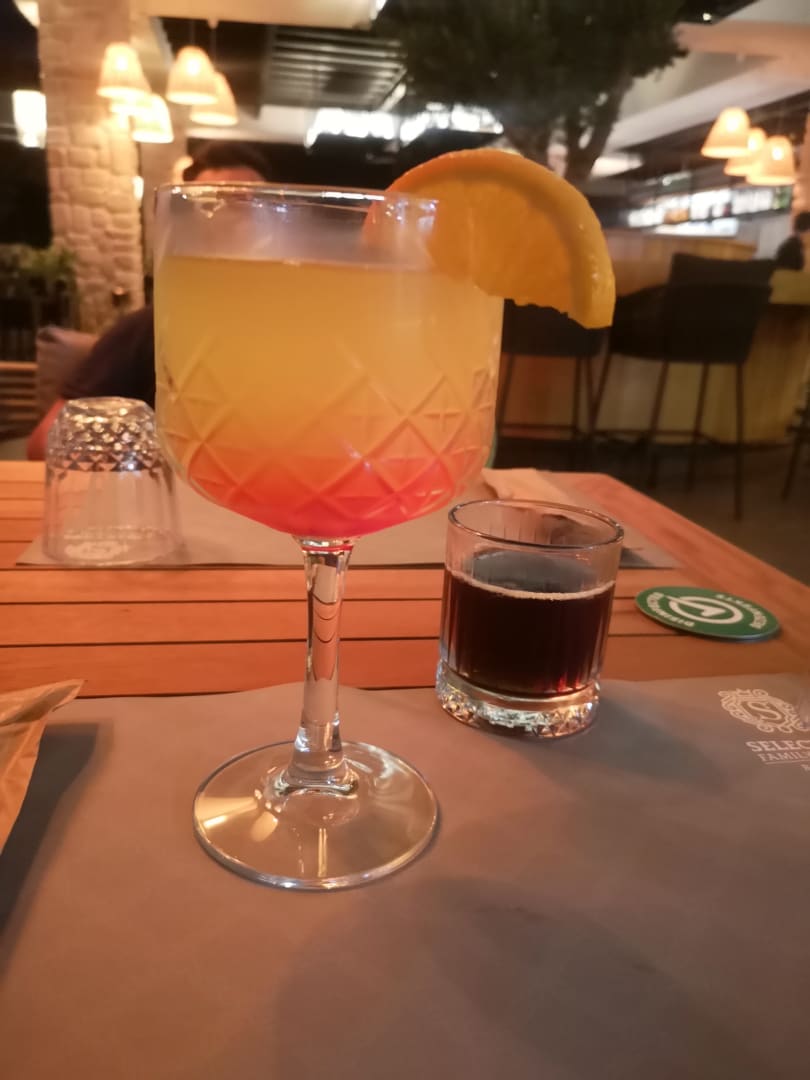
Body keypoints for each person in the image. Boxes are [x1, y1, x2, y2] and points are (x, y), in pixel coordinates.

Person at [27, 141, 271, 459]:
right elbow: (45, 443)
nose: (236, 220)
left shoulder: (302, 336)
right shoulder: (149, 328)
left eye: (252, 205)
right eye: (211, 207)